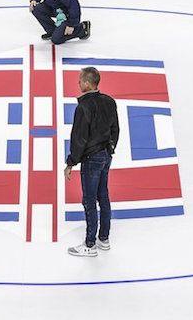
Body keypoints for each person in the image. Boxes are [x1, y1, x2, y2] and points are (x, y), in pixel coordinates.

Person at [64, 67, 119, 257]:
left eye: (80, 80)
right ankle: (104, 239)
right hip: (105, 156)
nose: (78, 83)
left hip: (92, 159)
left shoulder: (83, 107)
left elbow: (79, 139)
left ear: (87, 83)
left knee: (89, 200)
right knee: (103, 196)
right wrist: (110, 150)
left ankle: (90, 245)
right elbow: (115, 130)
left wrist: (71, 162)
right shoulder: (109, 102)